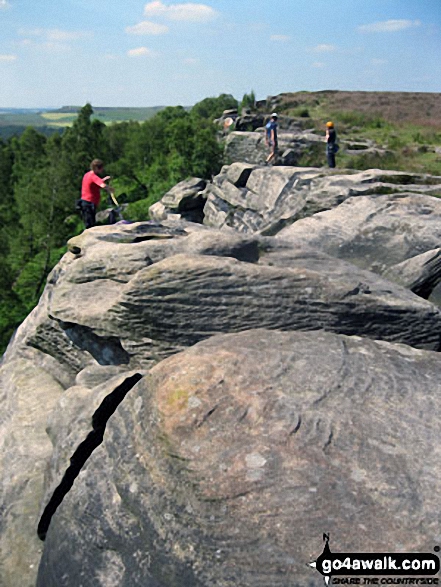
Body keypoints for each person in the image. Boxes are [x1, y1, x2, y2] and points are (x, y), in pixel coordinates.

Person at [80, 159, 115, 228]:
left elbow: (93, 184)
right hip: (89, 203)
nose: (102, 170)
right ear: (96, 168)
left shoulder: (87, 174)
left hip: (85, 202)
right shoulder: (94, 176)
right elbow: (103, 185)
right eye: (101, 168)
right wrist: (111, 189)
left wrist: (103, 180)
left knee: (89, 222)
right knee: (90, 224)